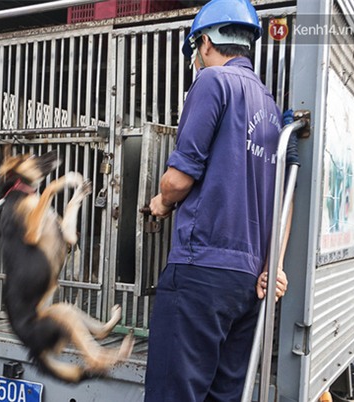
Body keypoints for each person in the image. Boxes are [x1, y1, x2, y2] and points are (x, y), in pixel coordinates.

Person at [144, 0, 289, 401]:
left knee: (174, 393)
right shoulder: (272, 109)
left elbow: (178, 179)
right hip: (248, 282)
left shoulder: (212, 82)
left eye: (195, 53)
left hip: (201, 269)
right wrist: (272, 264)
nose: (196, 61)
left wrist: (162, 201)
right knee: (224, 395)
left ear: (205, 42)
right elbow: (283, 200)